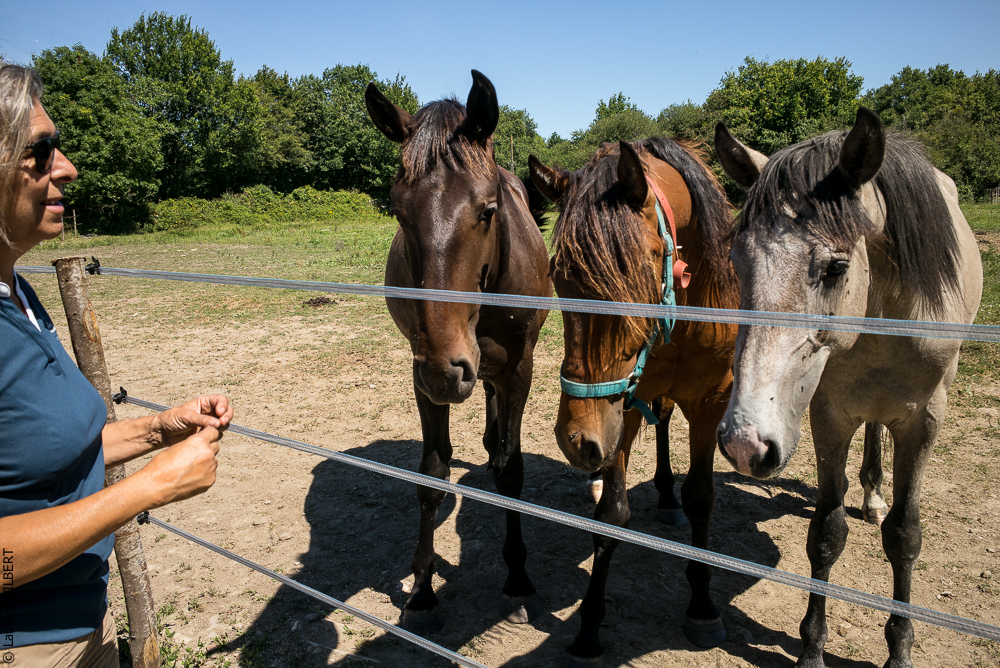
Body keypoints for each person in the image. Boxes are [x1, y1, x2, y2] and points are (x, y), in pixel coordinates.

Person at [0, 63, 233, 667]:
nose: (67, 167)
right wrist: (150, 487)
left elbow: (39, 455)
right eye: (40, 152)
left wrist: (158, 429)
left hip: (84, 624)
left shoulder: (18, 295)